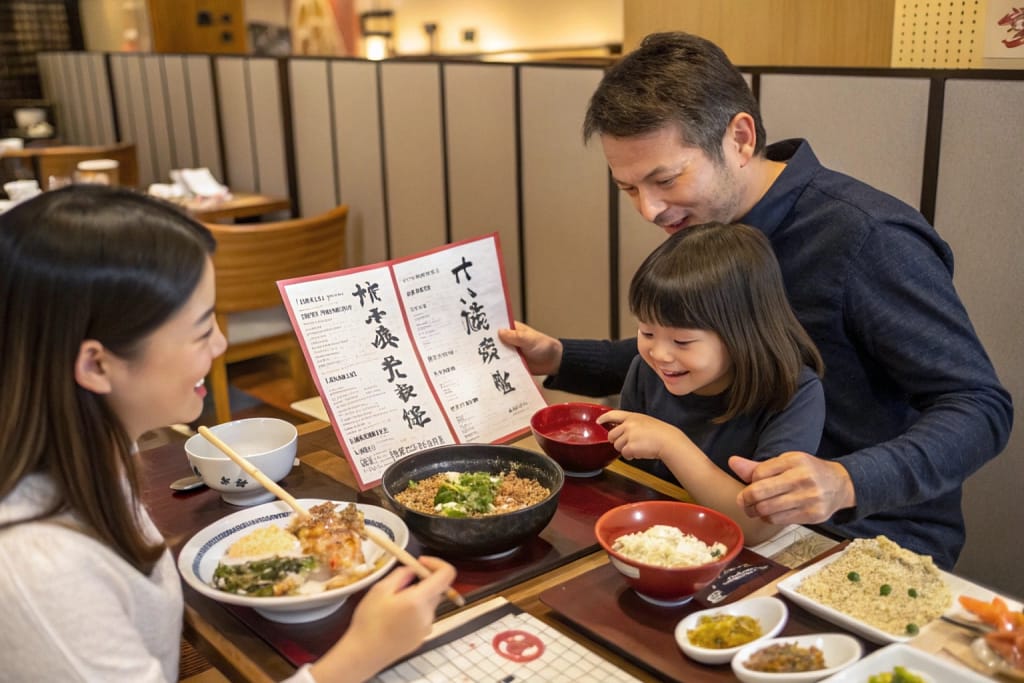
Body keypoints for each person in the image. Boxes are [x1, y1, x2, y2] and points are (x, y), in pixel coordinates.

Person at [498, 32, 1012, 569]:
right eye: (627, 188)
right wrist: (561, 358)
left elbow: (979, 406)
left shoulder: (866, 238)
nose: (649, 210)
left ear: (740, 138)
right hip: (719, 515)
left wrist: (846, 480)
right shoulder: (714, 226)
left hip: (858, 537)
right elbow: (703, 349)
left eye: (666, 179)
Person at [0, 186, 456, 682]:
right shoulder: (38, 571)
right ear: (96, 364)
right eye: (200, 330)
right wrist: (365, 652)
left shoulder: (96, 453)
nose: (221, 343)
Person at [596, 222, 825, 545]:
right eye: (647, 333)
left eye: (682, 341)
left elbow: (759, 526)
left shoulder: (793, 392)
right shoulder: (647, 371)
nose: (659, 354)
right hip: (657, 541)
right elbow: (630, 483)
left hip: (743, 555)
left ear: (742, 334)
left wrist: (672, 445)